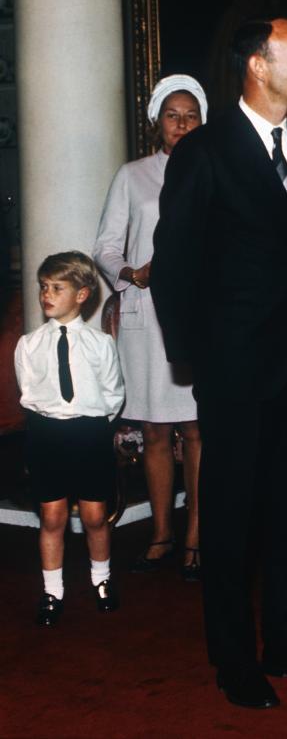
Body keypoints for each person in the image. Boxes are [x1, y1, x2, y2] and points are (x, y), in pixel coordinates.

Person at [150, 18, 287, 709]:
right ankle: (235, 659)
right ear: (258, 68)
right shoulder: (205, 151)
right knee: (232, 517)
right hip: (235, 366)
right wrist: (193, 358)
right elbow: (175, 266)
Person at [93, 75, 207, 581]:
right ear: (157, 121)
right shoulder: (133, 175)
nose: (181, 124)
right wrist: (130, 273)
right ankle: (162, 532)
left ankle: (197, 536)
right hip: (146, 314)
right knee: (157, 430)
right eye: (172, 115)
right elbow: (106, 245)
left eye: (191, 115)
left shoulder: (215, 170)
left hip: (201, 315)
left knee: (199, 429)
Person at [15, 252, 125, 626]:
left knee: (95, 516)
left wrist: (91, 427)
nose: (47, 294)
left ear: (82, 294)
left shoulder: (100, 344)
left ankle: (102, 579)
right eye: (44, 287)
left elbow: (113, 395)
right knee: (52, 516)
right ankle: (52, 591)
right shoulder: (29, 345)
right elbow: (29, 393)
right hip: (47, 434)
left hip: (89, 433)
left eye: (57, 288)